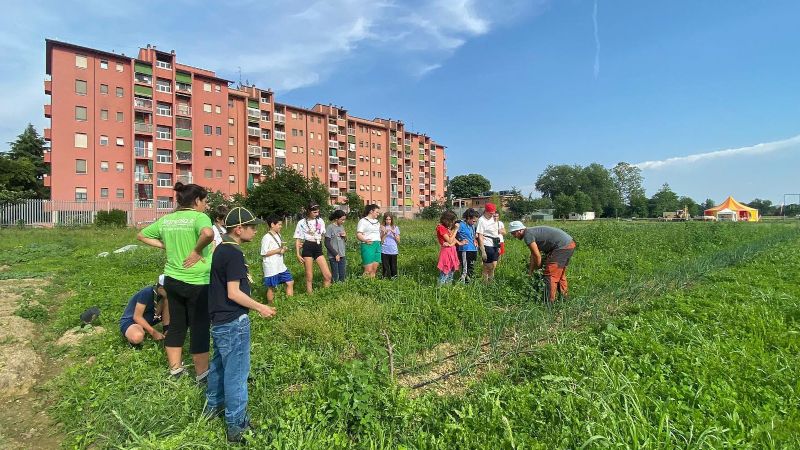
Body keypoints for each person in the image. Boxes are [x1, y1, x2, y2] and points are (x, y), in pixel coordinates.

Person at [205, 206, 277, 443]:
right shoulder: (233, 253)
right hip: (233, 322)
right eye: (251, 227)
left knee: (218, 367)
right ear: (239, 229)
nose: (255, 231)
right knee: (236, 374)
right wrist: (261, 307)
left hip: (219, 321)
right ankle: (237, 427)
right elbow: (233, 292)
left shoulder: (221, 249)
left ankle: (212, 409)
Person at [138, 182, 213, 380]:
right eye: (204, 201)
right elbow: (208, 233)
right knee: (199, 326)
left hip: (172, 280)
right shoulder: (199, 217)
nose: (205, 205)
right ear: (197, 200)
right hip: (197, 282)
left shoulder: (168, 220)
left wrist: (166, 245)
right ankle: (202, 374)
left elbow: (141, 235)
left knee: (177, 324)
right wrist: (196, 251)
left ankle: (175, 369)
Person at [508, 221, 576, 302]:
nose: (513, 236)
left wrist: (538, 269)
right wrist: (530, 271)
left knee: (550, 274)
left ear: (520, 230)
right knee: (559, 274)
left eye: (513, 233)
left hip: (562, 246)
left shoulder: (527, 235)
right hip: (568, 244)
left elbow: (537, 256)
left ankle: (549, 303)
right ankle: (564, 299)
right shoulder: (530, 232)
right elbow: (533, 255)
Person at [119, 274, 170, 345]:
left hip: (146, 322)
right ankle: (134, 333)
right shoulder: (147, 292)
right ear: (161, 288)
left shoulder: (166, 297)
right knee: (137, 337)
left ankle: (145, 329)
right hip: (131, 321)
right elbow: (137, 317)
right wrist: (153, 332)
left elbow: (166, 313)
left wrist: (166, 329)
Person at [293, 203, 332, 294]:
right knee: (309, 276)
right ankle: (310, 295)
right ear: (308, 211)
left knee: (328, 275)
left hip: (318, 247)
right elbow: (298, 239)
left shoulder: (320, 221)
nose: (317, 214)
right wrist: (298, 254)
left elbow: (322, 234)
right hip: (308, 247)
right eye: (314, 212)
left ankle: (326, 294)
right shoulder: (301, 222)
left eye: (318, 212)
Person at [260, 215, 294, 304]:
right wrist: (278, 250)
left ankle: (290, 303)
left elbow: (278, 248)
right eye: (279, 224)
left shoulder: (279, 235)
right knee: (271, 287)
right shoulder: (266, 237)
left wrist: (283, 249)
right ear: (272, 225)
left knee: (290, 282)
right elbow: (264, 253)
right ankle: (270, 305)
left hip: (280, 265)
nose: (281, 226)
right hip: (271, 266)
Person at [436, 210, 466, 285]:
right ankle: (440, 289)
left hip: (452, 251)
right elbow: (449, 240)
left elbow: (452, 238)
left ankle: (447, 288)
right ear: (447, 220)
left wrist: (459, 243)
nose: (453, 223)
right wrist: (455, 230)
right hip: (446, 252)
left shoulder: (447, 228)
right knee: (445, 271)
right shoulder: (441, 228)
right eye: (452, 221)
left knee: (451, 271)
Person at [476, 202, 501, 282]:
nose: (492, 215)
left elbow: (495, 233)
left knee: (494, 265)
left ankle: (491, 281)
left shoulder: (494, 219)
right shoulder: (481, 220)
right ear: (486, 211)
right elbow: (480, 235)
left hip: (495, 243)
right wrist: (483, 251)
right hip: (487, 244)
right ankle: (485, 283)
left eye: (493, 213)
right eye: (491, 213)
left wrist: (498, 246)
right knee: (488, 266)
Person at [357, 204, 382, 278]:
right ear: (371, 211)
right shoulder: (363, 221)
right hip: (368, 245)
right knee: (368, 270)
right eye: (377, 212)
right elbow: (358, 234)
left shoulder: (377, 222)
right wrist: (365, 240)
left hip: (377, 244)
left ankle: (372, 285)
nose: (378, 213)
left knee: (374, 269)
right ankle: (364, 286)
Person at [456, 209, 480, 283]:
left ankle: (470, 282)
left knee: (471, 267)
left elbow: (472, 236)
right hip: (465, 250)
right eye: (474, 221)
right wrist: (459, 242)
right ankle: (462, 284)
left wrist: (475, 240)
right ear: (468, 218)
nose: (475, 223)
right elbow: (451, 234)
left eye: (476, 221)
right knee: (465, 268)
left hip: (473, 249)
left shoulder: (472, 226)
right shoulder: (461, 225)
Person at [325, 210, 348, 282]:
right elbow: (326, 243)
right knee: (335, 276)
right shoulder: (330, 227)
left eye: (344, 219)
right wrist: (335, 254)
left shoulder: (342, 227)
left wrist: (345, 237)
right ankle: (334, 289)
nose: (343, 221)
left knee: (342, 276)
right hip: (333, 255)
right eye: (342, 219)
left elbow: (344, 241)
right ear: (336, 219)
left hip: (342, 254)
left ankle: (342, 291)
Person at [380, 212, 400, 278]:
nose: (388, 221)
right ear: (384, 220)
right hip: (384, 250)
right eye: (386, 219)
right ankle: (385, 279)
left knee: (393, 266)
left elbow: (398, 241)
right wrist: (385, 233)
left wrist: (394, 233)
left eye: (389, 219)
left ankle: (394, 278)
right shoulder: (382, 228)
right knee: (385, 267)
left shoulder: (396, 228)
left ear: (391, 220)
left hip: (393, 250)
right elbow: (381, 241)